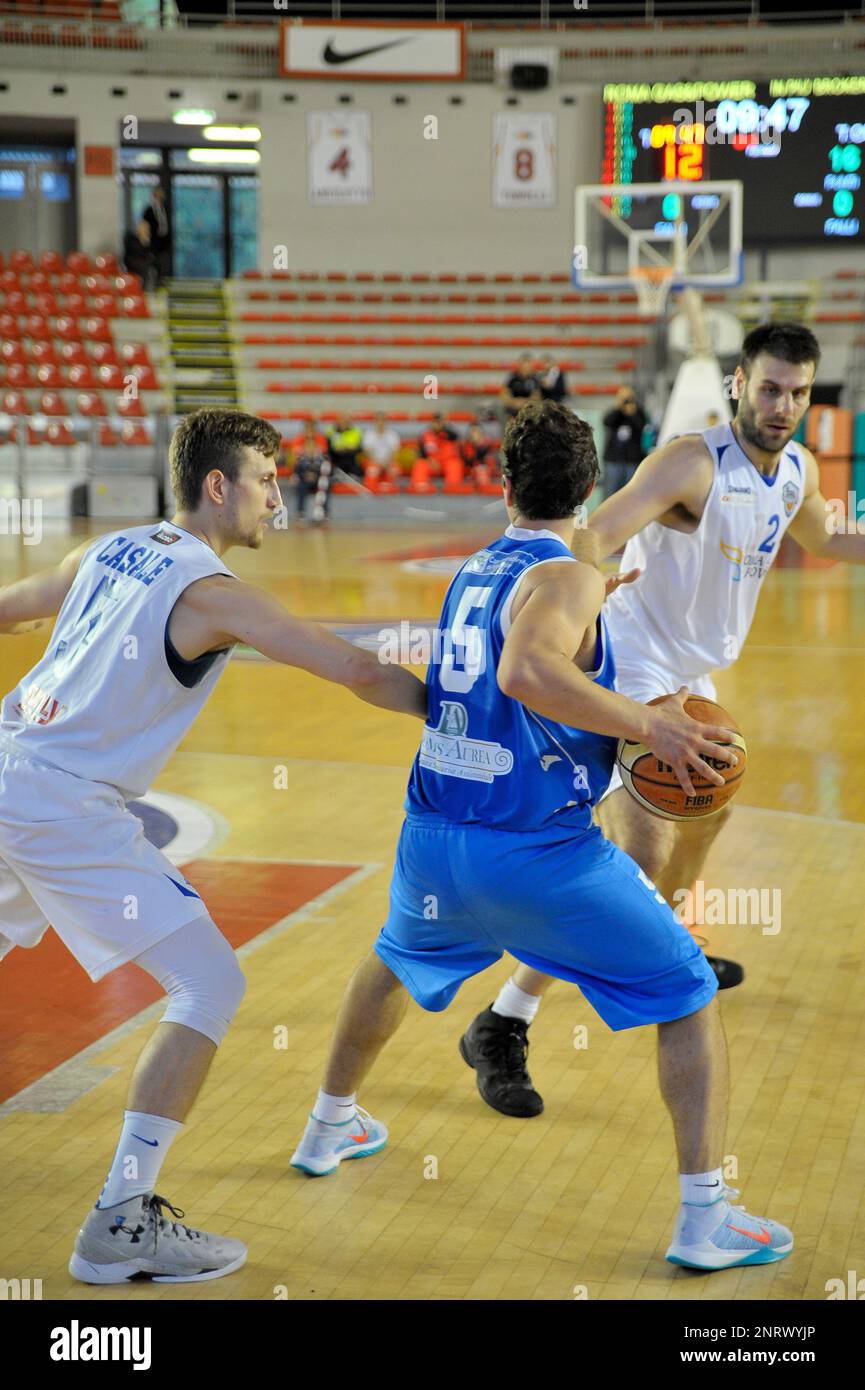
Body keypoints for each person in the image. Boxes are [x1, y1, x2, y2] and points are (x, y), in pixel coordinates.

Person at [290, 399, 793, 1273]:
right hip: (534, 853)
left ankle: (327, 1126)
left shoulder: (479, 566)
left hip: (432, 838)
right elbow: (527, 670)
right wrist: (653, 723)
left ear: (501, 485)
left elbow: (500, 657)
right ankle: (703, 1219)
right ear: (593, 485)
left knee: (394, 958)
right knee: (688, 995)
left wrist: (589, 591)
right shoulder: (565, 580)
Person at [0, 407, 426, 1285]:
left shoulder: (108, 551)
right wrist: (460, 708)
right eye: (266, 481)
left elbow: (8, 613)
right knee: (211, 981)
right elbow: (351, 668)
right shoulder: (212, 593)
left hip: (8, 763)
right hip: (62, 806)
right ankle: (120, 1221)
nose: (278, 498)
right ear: (218, 485)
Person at [461, 321, 865, 1122]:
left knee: (707, 817)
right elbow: (594, 533)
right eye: (768, 388)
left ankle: (672, 941)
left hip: (691, 668)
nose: (782, 404)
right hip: (633, 659)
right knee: (639, 850)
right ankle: (502, 1019)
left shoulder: (795, 470)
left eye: (797, 391)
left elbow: (824, 533)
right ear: (738, 385)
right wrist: (572, 625)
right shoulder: (690, 462)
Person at [602, 385, 648, 499]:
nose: (626, 401)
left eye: (628, 397)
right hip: (614, 459)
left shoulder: (639, 412)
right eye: (623, 398)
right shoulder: (615, 413)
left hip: (632, 460)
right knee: (610, 495)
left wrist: (632, 414)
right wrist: (619, 408)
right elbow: (606, 422)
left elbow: (642, 426)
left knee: (630, 495)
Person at [291, 418, 331, 524]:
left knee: (325, 486)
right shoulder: (302, 458)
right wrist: (304, 476)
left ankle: (324, 512)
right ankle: (300, 512)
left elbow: (325, 469)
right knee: (301, 486)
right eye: (308, 446)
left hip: (318, 479)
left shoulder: (321, 457)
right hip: (305, 479)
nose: (310, 448)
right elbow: (297, 468)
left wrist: (315, 475)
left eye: (312, 446)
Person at [142, 186, 171, 286]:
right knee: (153, 264)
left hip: (164, 242)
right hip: (152, 243)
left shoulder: (166, 209)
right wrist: (146, 241)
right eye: (158, 194)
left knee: (163, 264)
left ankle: (161, 282)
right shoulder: (149, 210)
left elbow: (167, 225)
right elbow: (144, 226)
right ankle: (152, 284)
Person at [362, 413, 401, 483]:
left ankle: (390, 488)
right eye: (378, 420)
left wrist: (387, 462)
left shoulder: (393, 435)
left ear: (386, 422)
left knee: (393, 469)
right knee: (372, 470)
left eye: (383, 420)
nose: (380, 422)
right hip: (373, 461)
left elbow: (395, 452)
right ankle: (371, 487)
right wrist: (378, 463)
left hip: (389, 461)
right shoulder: (369, 434)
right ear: (375, 422)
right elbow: (367, 452)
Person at [500, 353, 540, 420]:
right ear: (519, 365)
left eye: (527, 365)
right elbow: (504, 393)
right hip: (513, 405)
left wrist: (524, 402)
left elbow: (537, 396)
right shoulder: (512, 376)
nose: (525, 368)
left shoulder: (535, 377)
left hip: (529, 406)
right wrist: (514, 402)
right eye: (523, 365)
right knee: (501, 408)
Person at [327, 414, 364, 480]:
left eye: (345, 421)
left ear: (349, 422)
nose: (343, 423)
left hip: (351, 457)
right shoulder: (331, 431)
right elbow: (330, 447)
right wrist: (342, 448)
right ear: (337, 422)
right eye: (341, 421)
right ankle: (337, 475)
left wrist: (347, 448)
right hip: (337, 458)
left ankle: (355, 477)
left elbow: (359, 448)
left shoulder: (356, 431)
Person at [122, 218, 155, 291]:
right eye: (144, 228)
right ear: (138, 228)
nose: (146, 230)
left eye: (147, 229)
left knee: (152, 270)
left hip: (144, 267)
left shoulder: (147, 241)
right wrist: (144, 242)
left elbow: (150, 255)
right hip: (133, 267)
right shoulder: (131, 239)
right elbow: (138, 252)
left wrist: (146, 243)